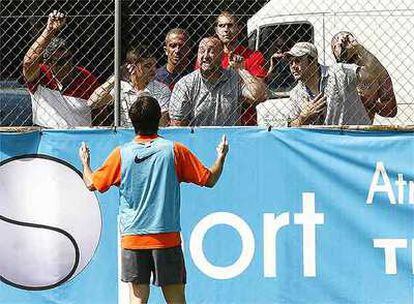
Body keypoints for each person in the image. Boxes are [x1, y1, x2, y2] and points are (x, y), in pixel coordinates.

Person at [79, 95, 229, 304]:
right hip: (166, 237)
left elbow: (91, 183)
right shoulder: (174, 150)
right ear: (159, 118)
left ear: (132, 122)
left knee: (138, 299)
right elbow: (209, 179)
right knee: (176, 299)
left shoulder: (121, 154)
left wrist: (85, 163)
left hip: (133, 237)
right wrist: (221, 157)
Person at [23, 10, 99, 128]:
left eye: (69, 58)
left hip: (81, 138)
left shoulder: (86, 77)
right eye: (60, 62)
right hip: (47, 136)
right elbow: (28, 62)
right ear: (48, 63)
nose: (67, 64)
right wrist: (50, 31)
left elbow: (100, 113)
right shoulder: (41, 74)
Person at [169, 37, 267, 126]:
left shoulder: (234, 78)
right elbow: (177, 124)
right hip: (197, 139)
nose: (205, 56)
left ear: (221, 55)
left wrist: (242, 70)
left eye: (211, 51)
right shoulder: (185, 84)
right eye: (202, 51)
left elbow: (258, 95)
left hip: (229, 139)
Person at [285, 41, 386, 126]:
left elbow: (373, 73)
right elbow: (289, 125)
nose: (293, 66)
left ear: (312, 61)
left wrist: (359, 49)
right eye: (291, 62)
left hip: (356, 137)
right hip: (326, 145)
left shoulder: (340, 72)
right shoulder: (296, 94)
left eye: (298, 61)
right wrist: (303, 118)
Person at [195, 11, 268, 125]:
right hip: (213, 119)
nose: (226, 30)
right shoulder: (207, 57)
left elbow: (258, 94)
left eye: (230, 25)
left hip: (246, 120)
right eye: (221, 26)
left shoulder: (254, 56)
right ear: (216, 30)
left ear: (238, 28)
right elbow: (201, 88)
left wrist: (240, 70)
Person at [88, 46, 171, 127]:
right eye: (148, 66)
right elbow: (92, 103)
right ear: (132, 67)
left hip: (151, 134)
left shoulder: (162, 89)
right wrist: (116, 77)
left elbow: (162, 124)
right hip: (125, 135)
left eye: (154, 65)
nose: (153, 70)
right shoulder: (121, 86)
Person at [331, 31, 397, 123]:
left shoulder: (374, 72)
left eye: (347, 41)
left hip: (363, 130)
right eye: (336, 45)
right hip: (337, 130)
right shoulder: (331, 75)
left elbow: (391, 111)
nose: (342, 44)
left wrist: (370, 103)